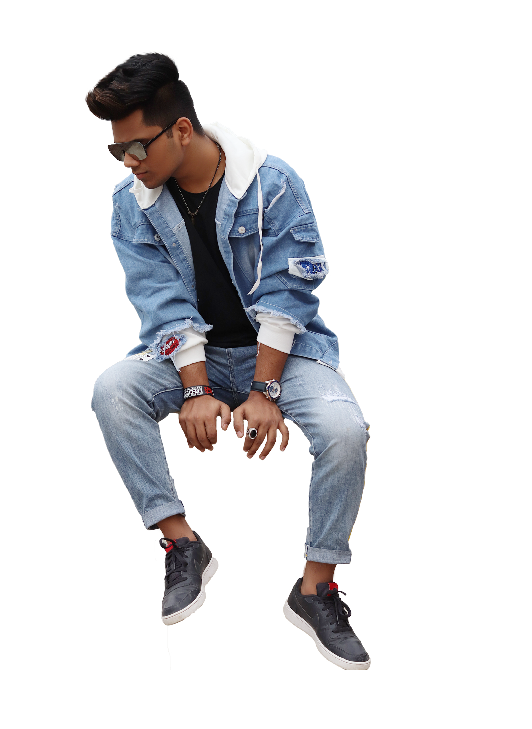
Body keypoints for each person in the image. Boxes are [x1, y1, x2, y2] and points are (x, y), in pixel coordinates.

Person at [87, 52, 371, 670]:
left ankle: (316, 587)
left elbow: (289, 292)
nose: (129, 161)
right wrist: (195, 389)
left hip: (287, 353)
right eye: (118, 150)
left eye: (136, 147)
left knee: (347, 432)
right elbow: (159, 301)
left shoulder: (273, 183)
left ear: (180, 129)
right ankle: (181, 544)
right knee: (112, 389)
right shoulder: (130, 202)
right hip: (194, 357)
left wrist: (265, 390)